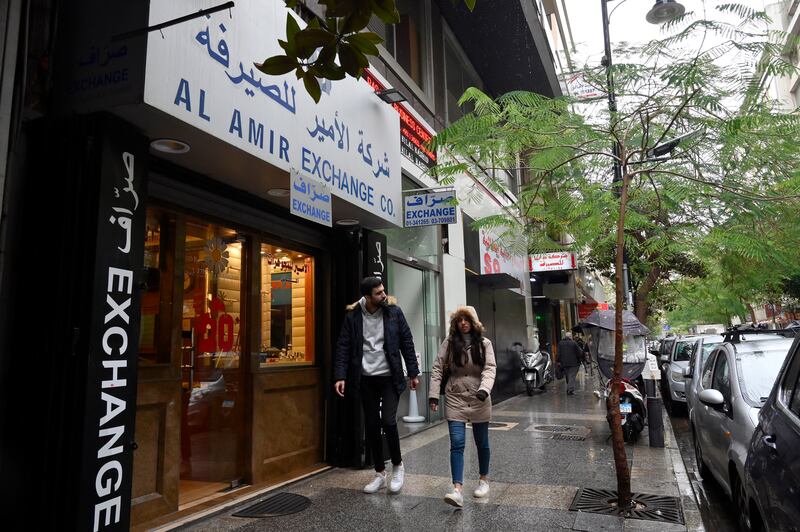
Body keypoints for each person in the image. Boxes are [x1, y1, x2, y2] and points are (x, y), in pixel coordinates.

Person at [333, 276, 420, 494]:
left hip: (390, 376)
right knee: (371, 425)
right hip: (365, 378)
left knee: (388, 421)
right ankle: (380, 473)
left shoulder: (394, 312)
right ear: (367, 296)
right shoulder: (353, 316)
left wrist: (413, 373)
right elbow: (343, 346)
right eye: (379, 293)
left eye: (383, 291)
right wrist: (340, 376)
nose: (384, 295)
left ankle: (398, 466)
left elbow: (406, 342)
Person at [428, 306, 496, 508]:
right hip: (455, 397)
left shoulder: (485, 344)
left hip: (479, 398)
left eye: (467, 320)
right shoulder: (449, 343)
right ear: (455, 324)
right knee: (457, 443)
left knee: (481, 442)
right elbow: (438, 368)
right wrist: (433, 395)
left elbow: (490, 369)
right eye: (460, 320)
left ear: (474, 323)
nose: (463, 323)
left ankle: (483, 480)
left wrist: (484, 389)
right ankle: (457, 490)